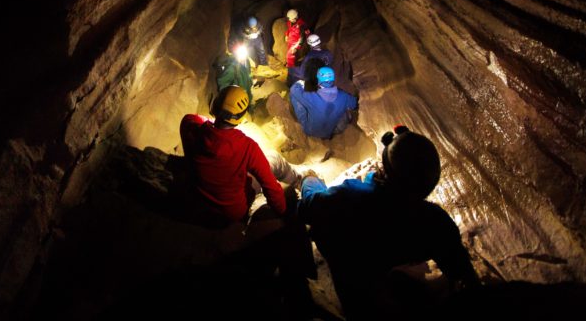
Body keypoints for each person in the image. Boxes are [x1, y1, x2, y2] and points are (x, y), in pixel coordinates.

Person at [297, 126, 480, 319]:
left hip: (353, 279)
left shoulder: (348, 195)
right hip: (382, 269)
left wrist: (310, 182)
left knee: (314, 200)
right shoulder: (433, 221)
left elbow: (305, 209)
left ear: (384, 168)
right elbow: (462, 272)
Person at [179, 86, 302, 223]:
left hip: (201, 199)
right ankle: (298, 181)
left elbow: (196, 120)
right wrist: (282, 212)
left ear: (215, 105)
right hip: (232, 212)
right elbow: (270, 187)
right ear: (239, 117)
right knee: (274, 159)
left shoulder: (190, 125)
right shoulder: (247, 147)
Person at [289, 67, 357, 139]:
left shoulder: (311, 97)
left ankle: (301, 121)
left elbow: (293, 89)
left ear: (319, 80)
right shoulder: (344, 96)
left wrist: (300, 83)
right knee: (345, 109)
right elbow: (354, 103)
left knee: (295, 96)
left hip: (310, 131)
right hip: (328, 132)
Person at [214, 39, 253, 106]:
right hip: (234, 99)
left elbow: (249, 77)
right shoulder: (232, 68)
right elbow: (223, 83)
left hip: (245, 96)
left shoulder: (247, 62)